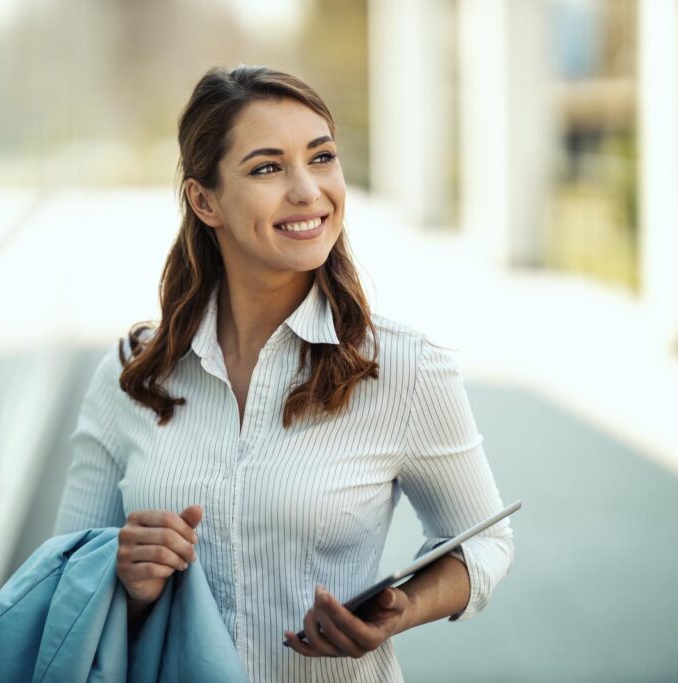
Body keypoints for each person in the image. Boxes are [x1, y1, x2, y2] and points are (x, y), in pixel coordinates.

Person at [53, 65, 514, 682]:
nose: (308, 191)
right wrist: (129, 582)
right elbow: (63, 574)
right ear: (204, 200)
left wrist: (399, 611)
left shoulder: (404, 368)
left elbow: (485, 542)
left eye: (321, 158)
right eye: (268, 167)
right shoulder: (132, 374)